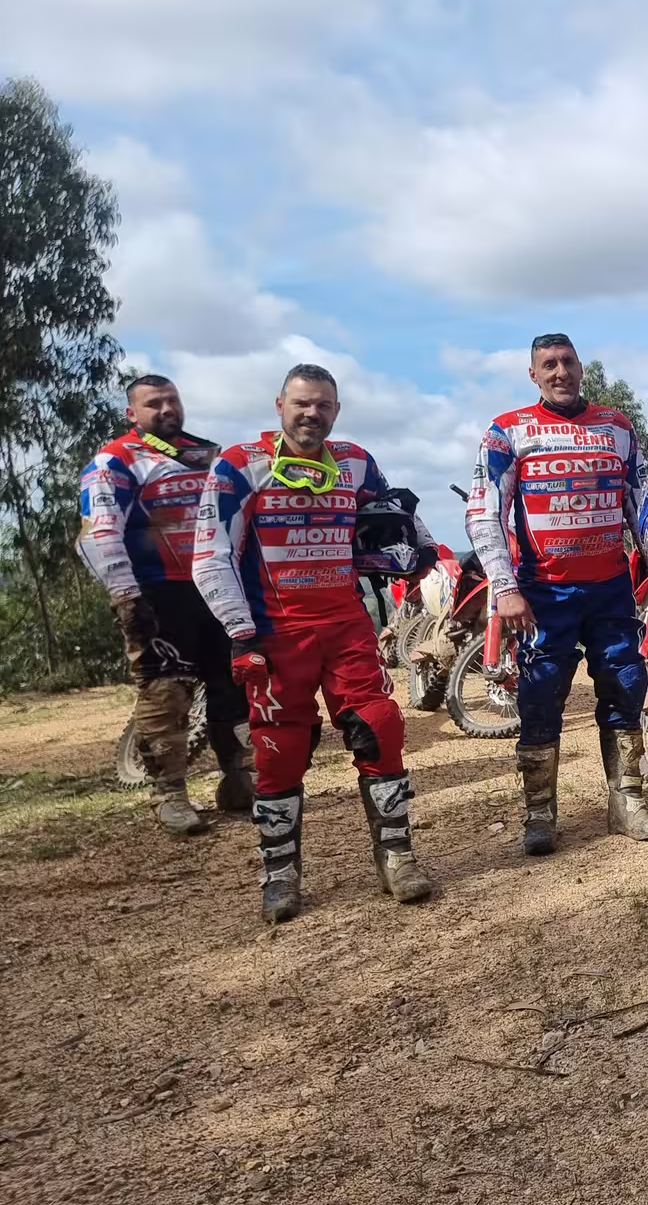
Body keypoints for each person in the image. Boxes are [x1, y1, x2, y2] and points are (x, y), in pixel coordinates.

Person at [194, 364, 435, 922]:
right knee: (278, 751)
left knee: (381, 727)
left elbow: (394, 512)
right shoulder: (240, 466)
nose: (312, 413)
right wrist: (240, 634)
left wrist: (421, 548)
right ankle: (279, 875)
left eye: (323, 404)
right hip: (275, 632)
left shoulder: (355, 461)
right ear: (280, 405)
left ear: (336, 410)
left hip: (346, 624)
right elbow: (210, 556)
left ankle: (397, 858)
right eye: (302, 403)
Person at [467, 334, 648, 855]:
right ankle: (539, 813)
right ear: (533, 374)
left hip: (610, 589)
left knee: (626, 684)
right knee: (540, 693)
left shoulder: (617, 427)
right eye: (549, 364)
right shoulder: (507, 431)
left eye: (568, 362)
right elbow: (484, 511)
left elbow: (641, 503)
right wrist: (504, 587)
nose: (560, 372)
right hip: (542, 593)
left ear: (581, 367)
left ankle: (627, 801)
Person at [77, 375, 252, 836]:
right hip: (157, 593)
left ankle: (239, 780)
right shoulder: (115, 460)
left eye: (172, 400)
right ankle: (170, 795)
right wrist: (126, 597)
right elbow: (98, 533)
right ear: (132, 413)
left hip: (218, 588)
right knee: (166, 693)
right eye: (153, 403)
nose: (166, 409)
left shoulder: (207, 457)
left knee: (234, 683)